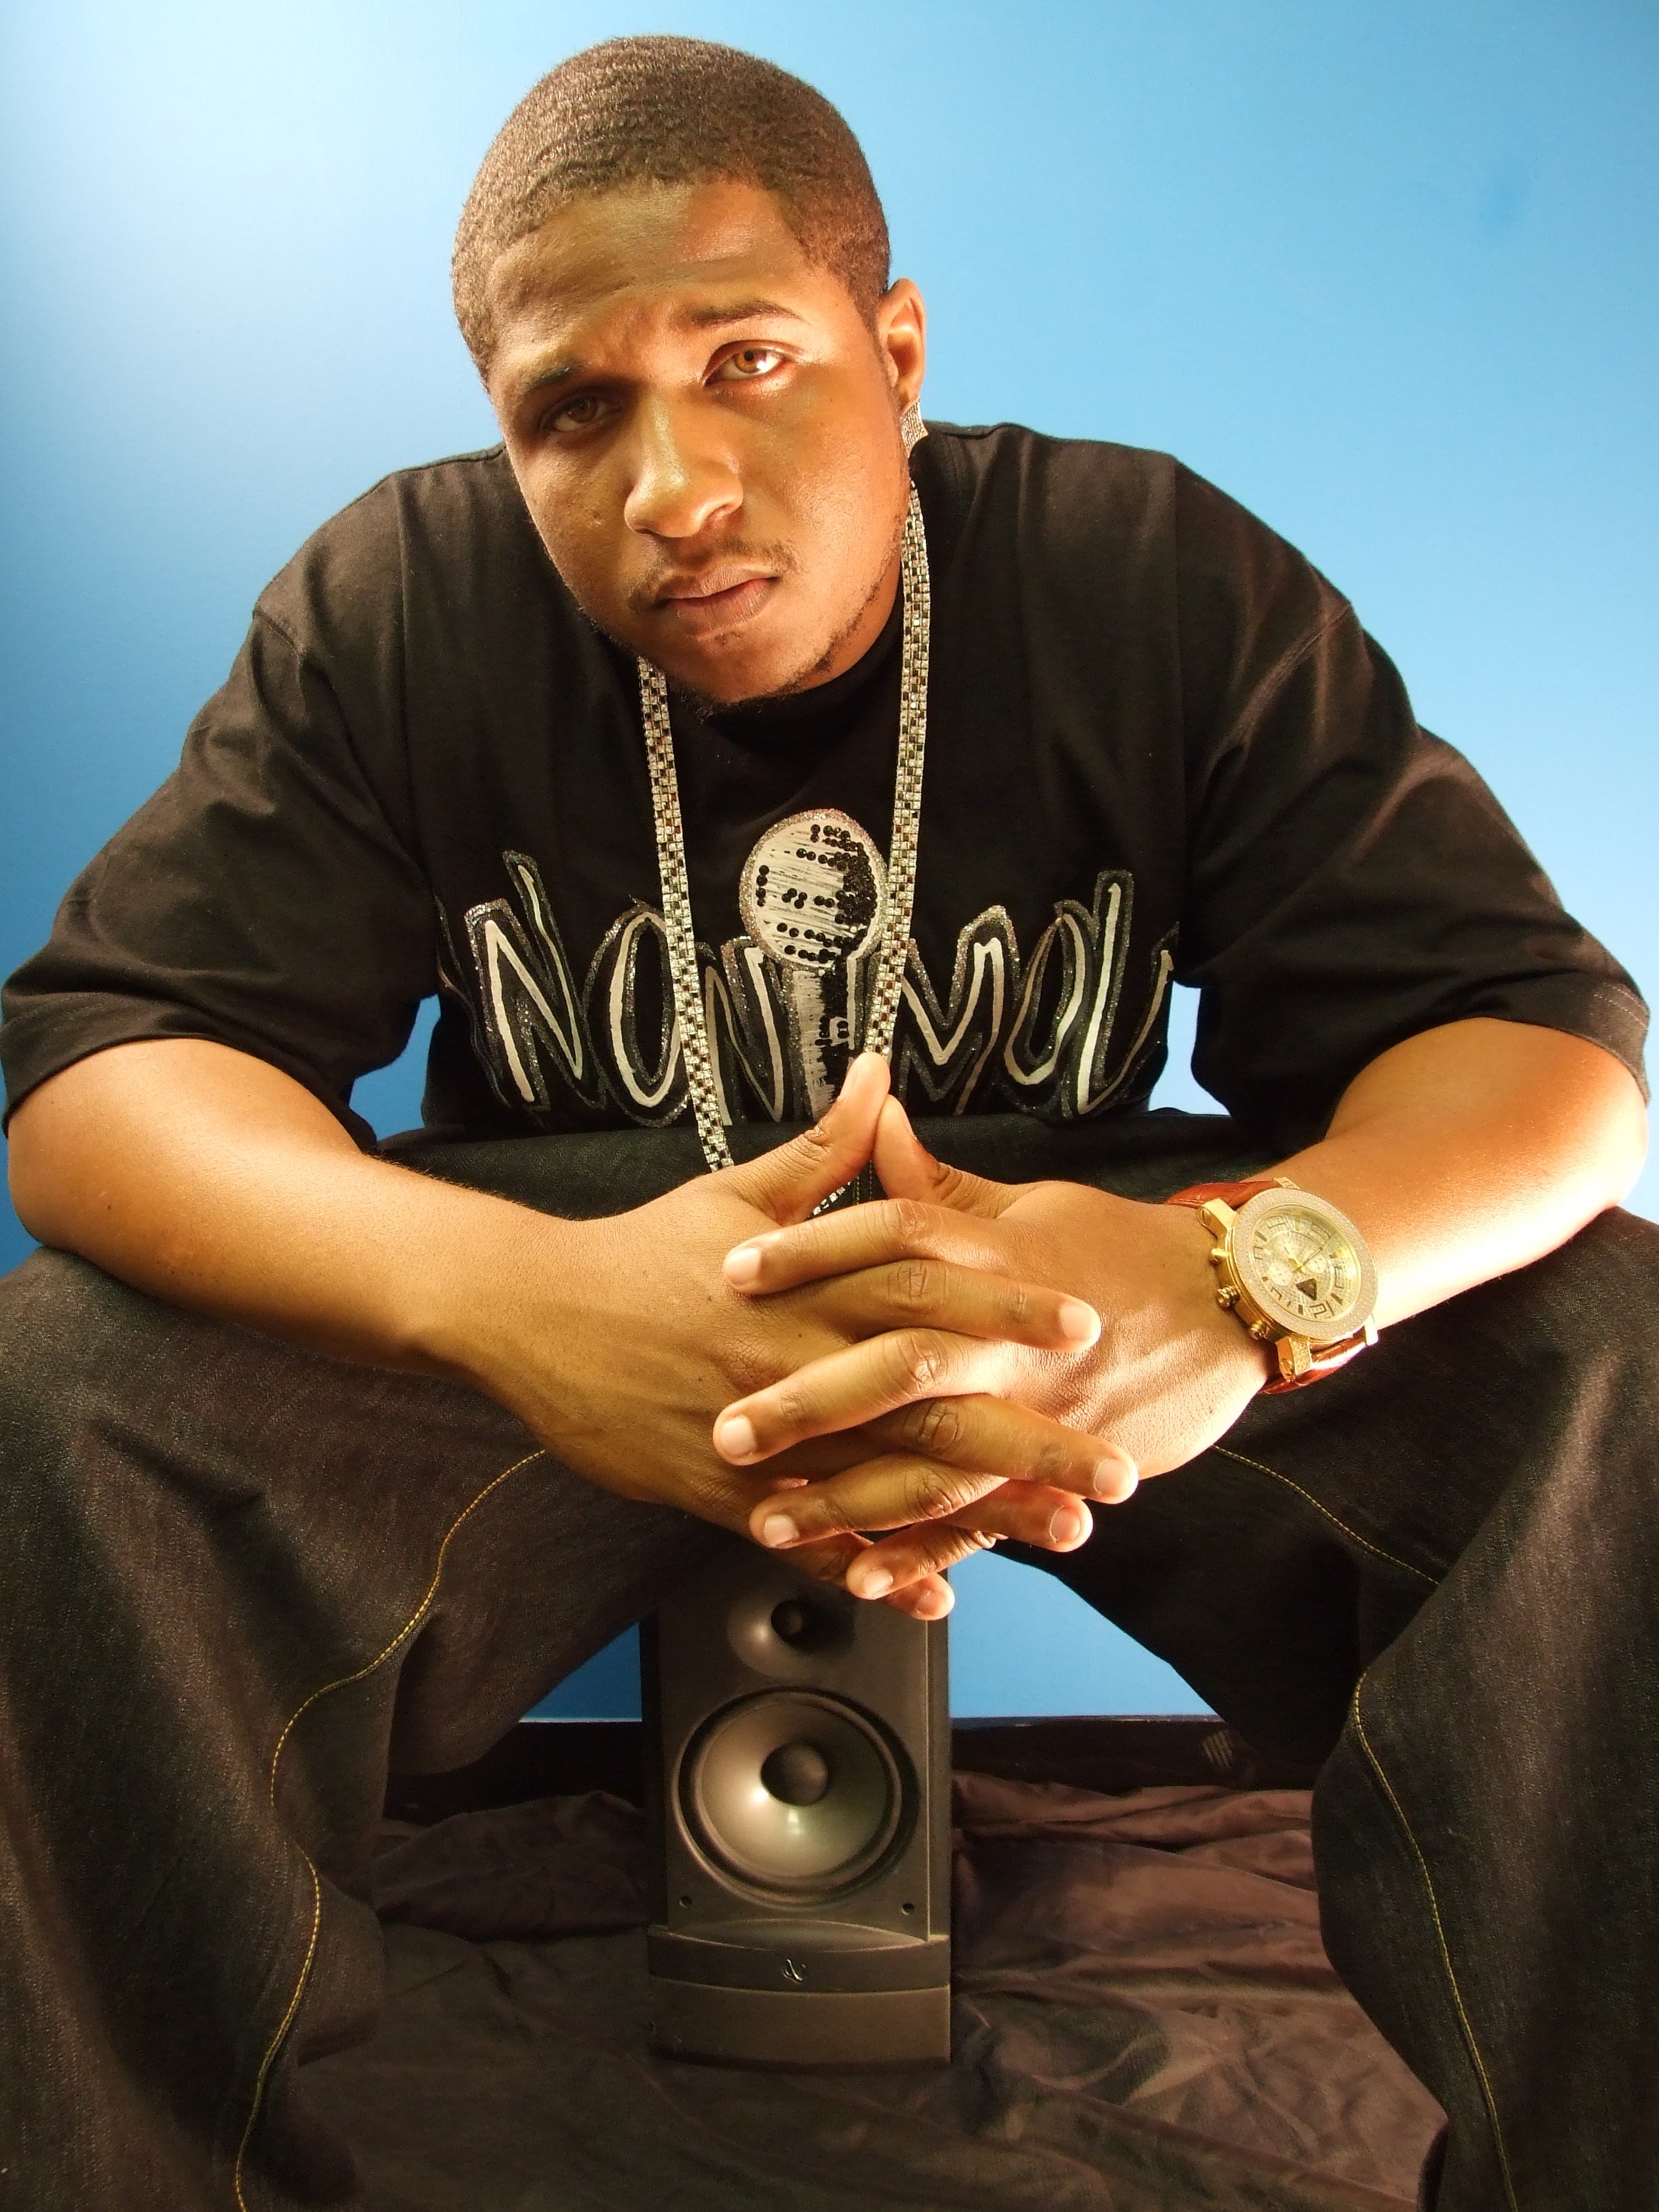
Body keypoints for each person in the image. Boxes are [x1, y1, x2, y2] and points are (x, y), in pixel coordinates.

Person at [0, 33, 1651, 2212]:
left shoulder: (1143, 568)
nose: (673, 486)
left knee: (1607, 1354)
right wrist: (522, 1300)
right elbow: (103, 1082)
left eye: (747, 360)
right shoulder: (403, 598)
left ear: (898, 350)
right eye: (573, 411)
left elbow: (1541, 1050)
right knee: (60, 1389)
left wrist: (1239, 1277)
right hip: (576, 1296)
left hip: (1060, 1299)